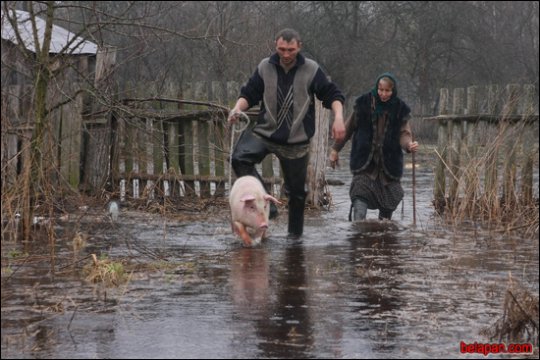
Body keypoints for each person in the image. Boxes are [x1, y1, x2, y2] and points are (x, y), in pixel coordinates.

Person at [228, 28, 345, 239]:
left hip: (296, 140)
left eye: (291, 49)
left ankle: (295, 239)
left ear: (299, 47)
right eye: (282, 49)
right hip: (265, 132)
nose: (286, 54)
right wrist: (237, 108)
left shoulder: (311, 69)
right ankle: (266, 203)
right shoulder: (265, 66)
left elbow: (332, 94)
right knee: (239, 158)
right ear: (276, 46)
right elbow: (249, 93)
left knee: (297, 194)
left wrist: (338, 118)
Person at [329, 72, 419, 221]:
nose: (383, 94)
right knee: (360, 196)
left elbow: (404, 133)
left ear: (393, 91)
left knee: (388, 207)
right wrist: (335, 149)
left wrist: (409, 145)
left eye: (387, 91)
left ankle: (384, 238)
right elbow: (348, 128)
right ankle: (358, 235)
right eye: (381, 90)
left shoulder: (399, 109)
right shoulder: (363, 104)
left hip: (388, 166)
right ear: (376, 88)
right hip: (365, 163)